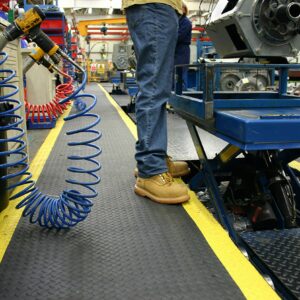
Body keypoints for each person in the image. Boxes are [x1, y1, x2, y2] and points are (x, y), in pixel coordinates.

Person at [123, 0, 190, 204]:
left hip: (159, 8)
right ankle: (150, 171)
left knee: (158, 88)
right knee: (154, 88)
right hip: (154, 7)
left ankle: (155, 159)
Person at [174, 3, 192, 90]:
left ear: (184, 10)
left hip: (182, 51)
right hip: (175, 49)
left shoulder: (186, 22)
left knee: (180, 75)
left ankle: (182, 96)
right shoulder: (176, 20)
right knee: (174, 75)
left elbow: (178, 36)